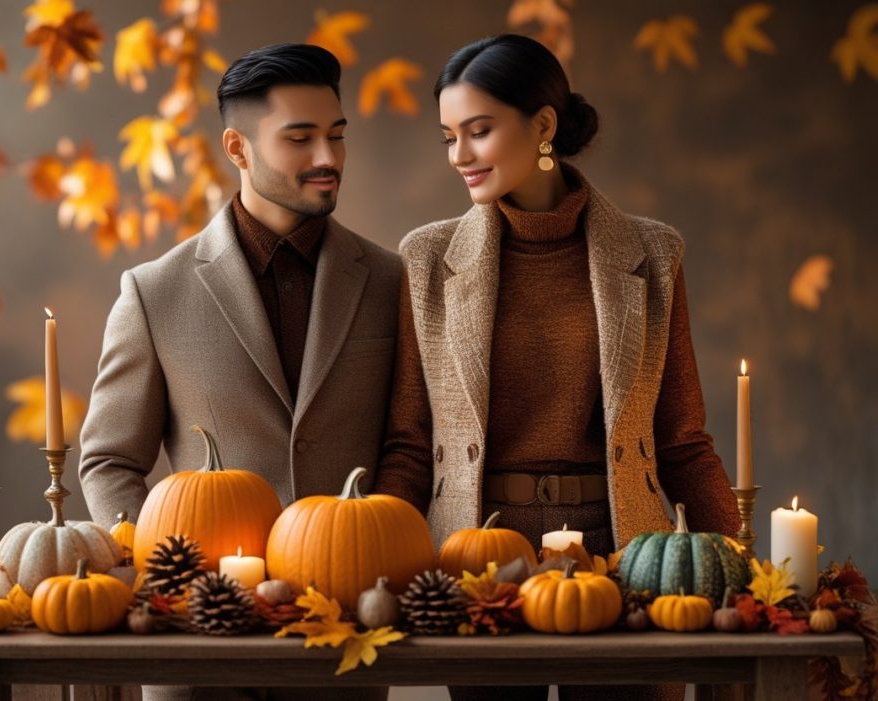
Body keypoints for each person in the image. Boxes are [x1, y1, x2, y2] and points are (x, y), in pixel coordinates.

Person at [374, 34, 740, 701]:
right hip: (477, 555)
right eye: (447, 137)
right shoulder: (425, 260)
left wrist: (738, 570)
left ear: (542, 125)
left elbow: (682, 438)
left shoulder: (654, 255)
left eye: (478, 132)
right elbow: (408, 441)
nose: (459, 156)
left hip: (627, 552)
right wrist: (375, 561)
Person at [79, 43, 398, 701]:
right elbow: (108, 459)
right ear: (237, 147)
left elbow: (411, 443)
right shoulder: (153, 291)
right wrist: (176, 578)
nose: (328, 159)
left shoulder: (392, 281)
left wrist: (376, 555)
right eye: (300, 138)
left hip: (343, 643)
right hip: (197, 653)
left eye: (337, 136)